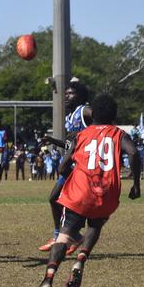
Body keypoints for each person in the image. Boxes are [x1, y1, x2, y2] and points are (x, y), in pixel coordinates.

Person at [33, 94, 142, 287]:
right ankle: (80, 261)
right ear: (113, 115)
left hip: (79, 192)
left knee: (63, 237)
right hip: (107, 193)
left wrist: (71, 173)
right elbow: (134, 154)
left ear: (93, 116)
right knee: (95, 225)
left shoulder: (82, 134)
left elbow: (62, 167)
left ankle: (47, 280)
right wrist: (136, 184)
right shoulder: (118, 134)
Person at [38, 81, 92, 253]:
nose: (66, 96)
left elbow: (97, 117)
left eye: (70, 94)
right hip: (71, 165)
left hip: (81, 166)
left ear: (81, 97)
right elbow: (71, 144)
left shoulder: (84, 110)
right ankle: (69, 235)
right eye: (66, 94)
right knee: (54, 198)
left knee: (66, 201)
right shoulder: (71, 116)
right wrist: (54, 141)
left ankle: (67, 236)